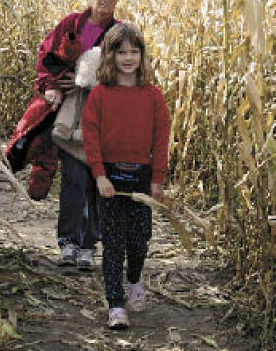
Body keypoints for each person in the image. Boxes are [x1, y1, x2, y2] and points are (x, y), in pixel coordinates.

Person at [5, 0, 122, 270]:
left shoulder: (120, 33)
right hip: (68, 116)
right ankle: (68, 242)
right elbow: (46, 56)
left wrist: (90, 83)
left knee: (97, 179)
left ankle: (88, 246)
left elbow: (129, 71)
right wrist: (54, 84)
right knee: (72, 177)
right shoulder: (72, 24)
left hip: (103, 116)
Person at [82, 23, 169, 329]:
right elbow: (91, 138)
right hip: (110, 177)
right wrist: (100, 176)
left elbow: (160, 139)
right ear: (110, 56)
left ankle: (134, 280)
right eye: (122, 52)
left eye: (134, 51)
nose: (128, 58)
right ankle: (116, 305)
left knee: (139, 239)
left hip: (142, 178)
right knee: (114, 243)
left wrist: (157, 179)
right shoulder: (100, 96)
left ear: (142, 56)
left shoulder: (153, 96)